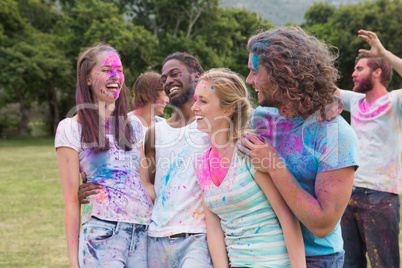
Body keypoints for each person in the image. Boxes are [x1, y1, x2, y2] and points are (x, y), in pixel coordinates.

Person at [237, 27, 360, 267]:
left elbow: (323, 224)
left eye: (254, 72)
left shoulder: (335, 135)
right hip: (265, 251)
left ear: (280, 75)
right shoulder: (262, 117)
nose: (249, 80)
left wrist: (274, 165)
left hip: (317, 258)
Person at [192, 68, 306, 267]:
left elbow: (286, 217)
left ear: (228, 110)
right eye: (195, 100)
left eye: (203, 101)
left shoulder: (250, 149)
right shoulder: (201, 163)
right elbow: (214, 229)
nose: (194, 107)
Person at [55, 43, 155, 267]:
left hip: (144, 232)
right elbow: (71, 201)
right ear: (88, 79)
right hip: (103, 234)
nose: (115, 76)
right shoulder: (71, 128)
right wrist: (73, 262)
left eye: (119, 70)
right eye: (106, 69)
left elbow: (144, 184)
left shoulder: (134, 126)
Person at [337, 29, 402, 267]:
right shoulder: (355, 101)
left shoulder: (395, 101)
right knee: (350, 263)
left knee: (384, 263)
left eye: (359, 69)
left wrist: (384, 53)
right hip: (349, 193)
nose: (353, 74)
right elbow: (322, 89)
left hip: (381, 196)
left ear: (377, 72)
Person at [143, 52, 212, 268]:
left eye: (174, 74)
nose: (168, 82)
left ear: (197, 75)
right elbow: (151, 184)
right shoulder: (155, 132)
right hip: (157, 238)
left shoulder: (211, 126)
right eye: (164, 79)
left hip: (198, 238)